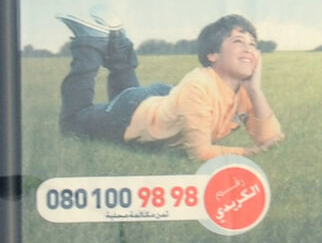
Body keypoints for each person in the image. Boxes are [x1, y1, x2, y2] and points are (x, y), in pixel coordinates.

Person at [58, 9, 284, 162]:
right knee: (72, 123)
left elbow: (270, 139)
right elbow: (198, 152)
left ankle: (117, 41)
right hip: (132, 112)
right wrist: (248, 153)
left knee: (128, 93)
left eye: (253, 45)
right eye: (238, 42)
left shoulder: (243, 89)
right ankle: (90, 42)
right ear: (213, 54)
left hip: (165, 100)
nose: (248, 49)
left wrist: (255, 90)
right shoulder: (200, 84)